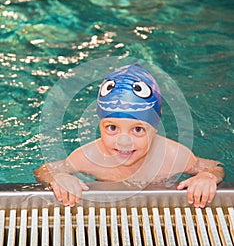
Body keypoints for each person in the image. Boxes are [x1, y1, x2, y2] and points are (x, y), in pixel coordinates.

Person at [34, 64, 225, 208]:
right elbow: (44, 170)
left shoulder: (173, 156)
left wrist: (207, 177)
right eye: (112, 128)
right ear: (99, 125)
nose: (123, 141)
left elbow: (215, 167)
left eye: (138, 130)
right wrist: (58, 177)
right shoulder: (89, 156)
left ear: (155, 128)